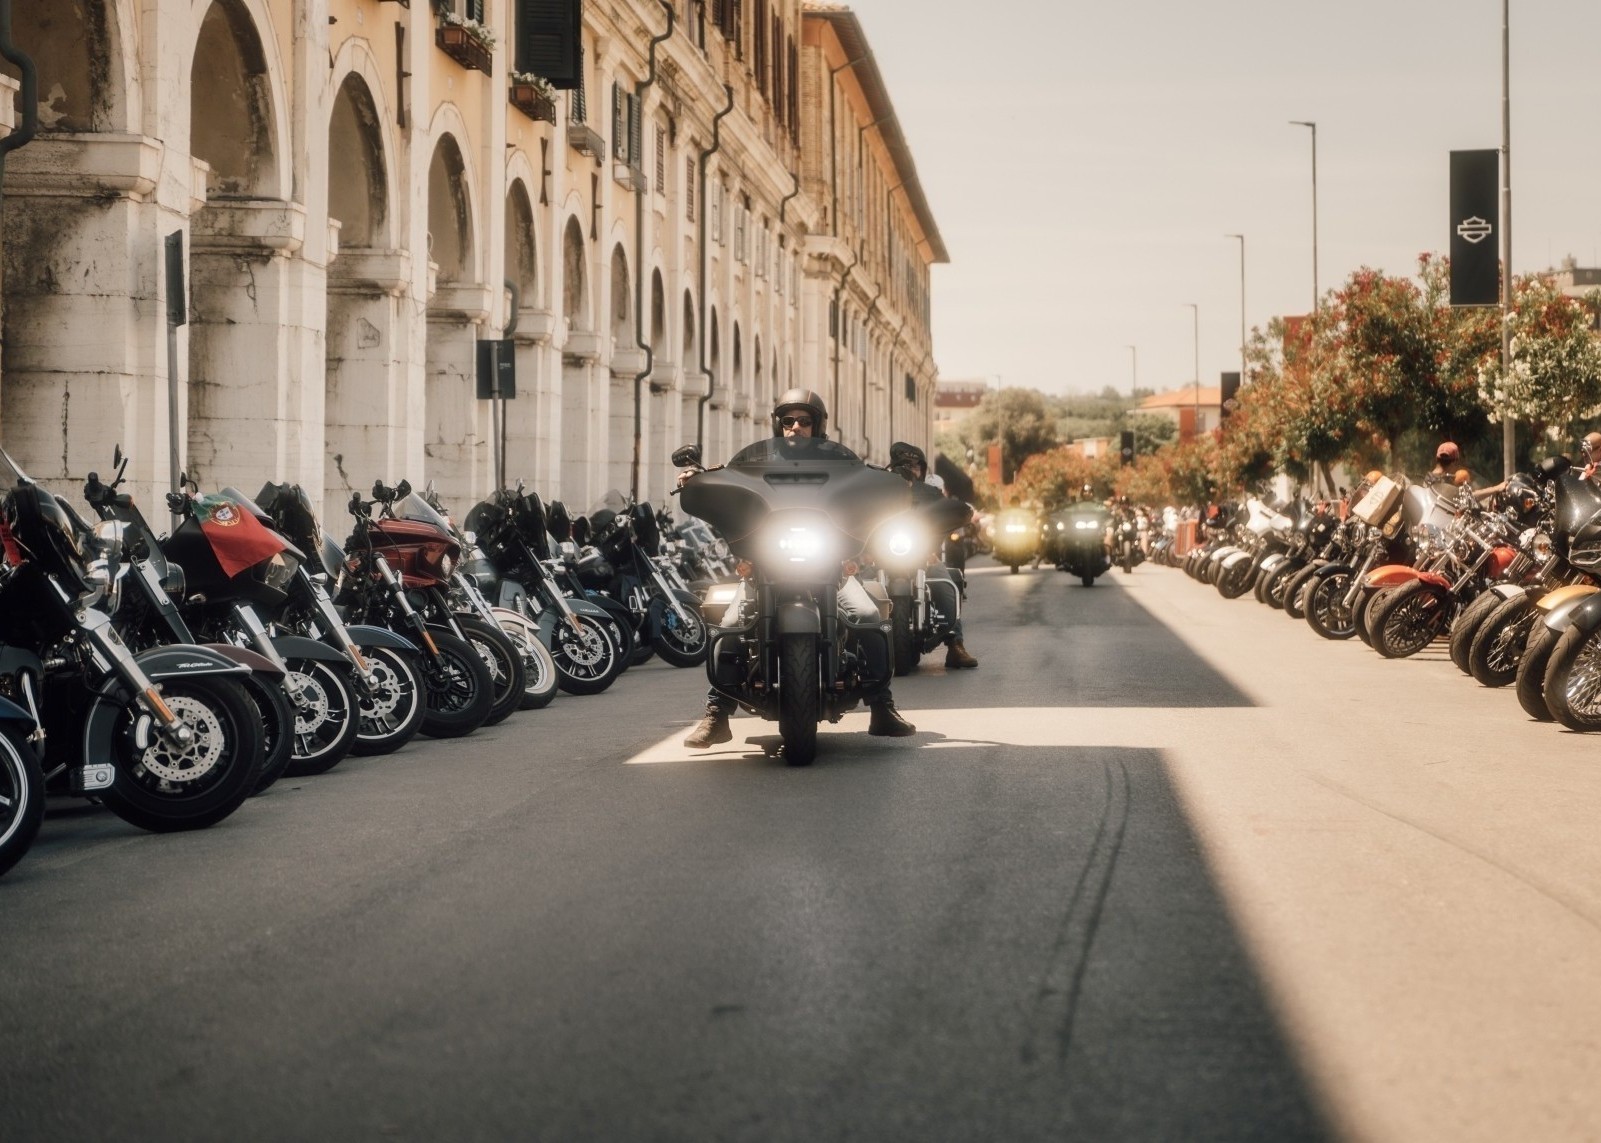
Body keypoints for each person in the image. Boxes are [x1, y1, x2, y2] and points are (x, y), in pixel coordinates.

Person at [681, 390, 917, 748]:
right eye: (788, 421)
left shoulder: (843, 467)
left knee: (868, 615)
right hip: (765, 569)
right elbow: (728, 483)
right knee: (728, 626)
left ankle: (881, 706)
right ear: (779, 425)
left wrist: (891, 480)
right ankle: (718, 713)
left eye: (804, 421)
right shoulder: (754, 465)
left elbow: (862, 497)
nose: (795, 428)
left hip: (831, 570)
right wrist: (698, 478)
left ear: (817, 425)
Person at [887, 442, 978, 670]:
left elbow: (945, 514)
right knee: (853, 584)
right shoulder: (880, 491)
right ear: (893, 466)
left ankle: (955, 644)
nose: (910, 469)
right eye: (904, 464)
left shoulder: (930, 494)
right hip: (883, 557)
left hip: (922, 556)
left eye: (915, 465)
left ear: (922, 469)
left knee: (944, 579)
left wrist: (956, 517)